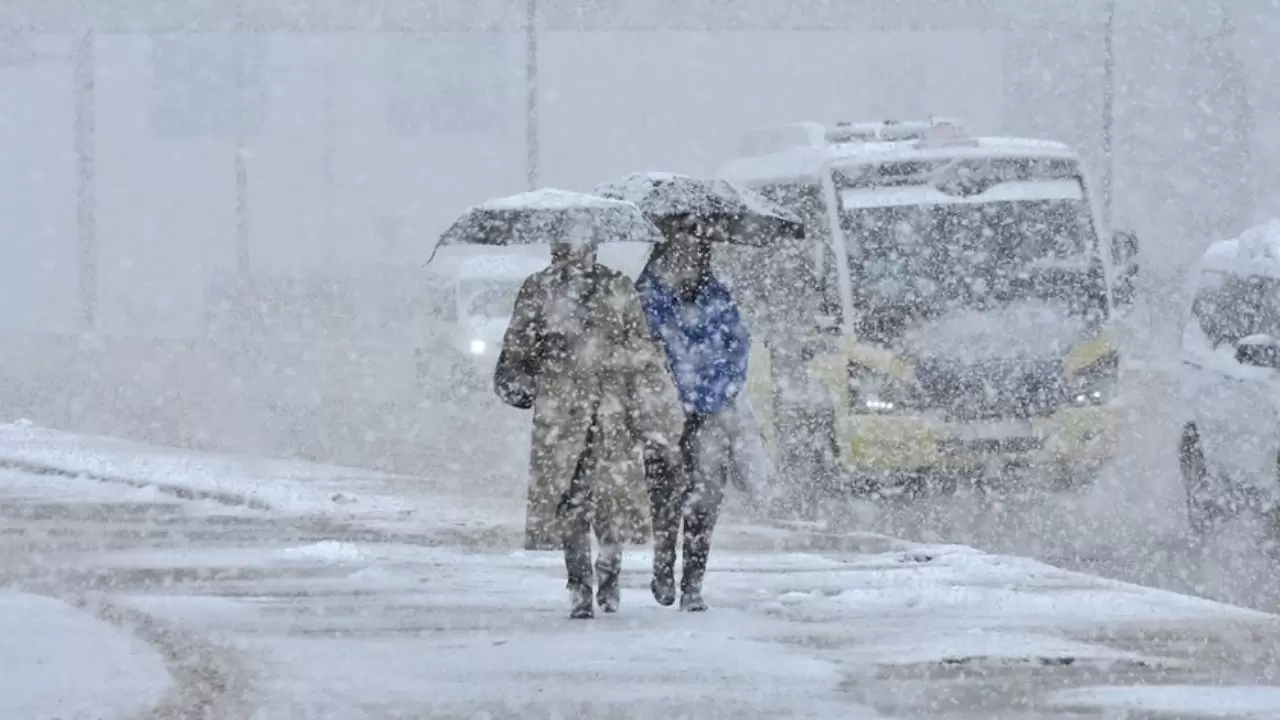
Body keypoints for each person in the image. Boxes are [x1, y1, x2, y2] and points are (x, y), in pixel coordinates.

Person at [494, 234, 684, 620]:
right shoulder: (538, 287)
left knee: (611, 502)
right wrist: (541, 352)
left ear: (593, 247)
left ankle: (609, 577)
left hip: (611, 412)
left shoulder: (618, 285)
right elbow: (516, 346)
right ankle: (578, 586)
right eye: (561, 246)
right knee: (570, 501)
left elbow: (644, 348)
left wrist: (610, 356)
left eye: (577, 245)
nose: (568, 253)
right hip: (561, 412)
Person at [636, 218, 751, 612]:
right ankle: (664, 565)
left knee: (705, 500)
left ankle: (693, 584)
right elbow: (642, 349)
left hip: (709, 412)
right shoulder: (648, 295)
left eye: (696, 250)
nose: (690, 258)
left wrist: (720, 387)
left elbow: (739, 348)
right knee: (664, 497)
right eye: (681, 250)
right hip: (663, 414)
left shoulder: (718, 297)